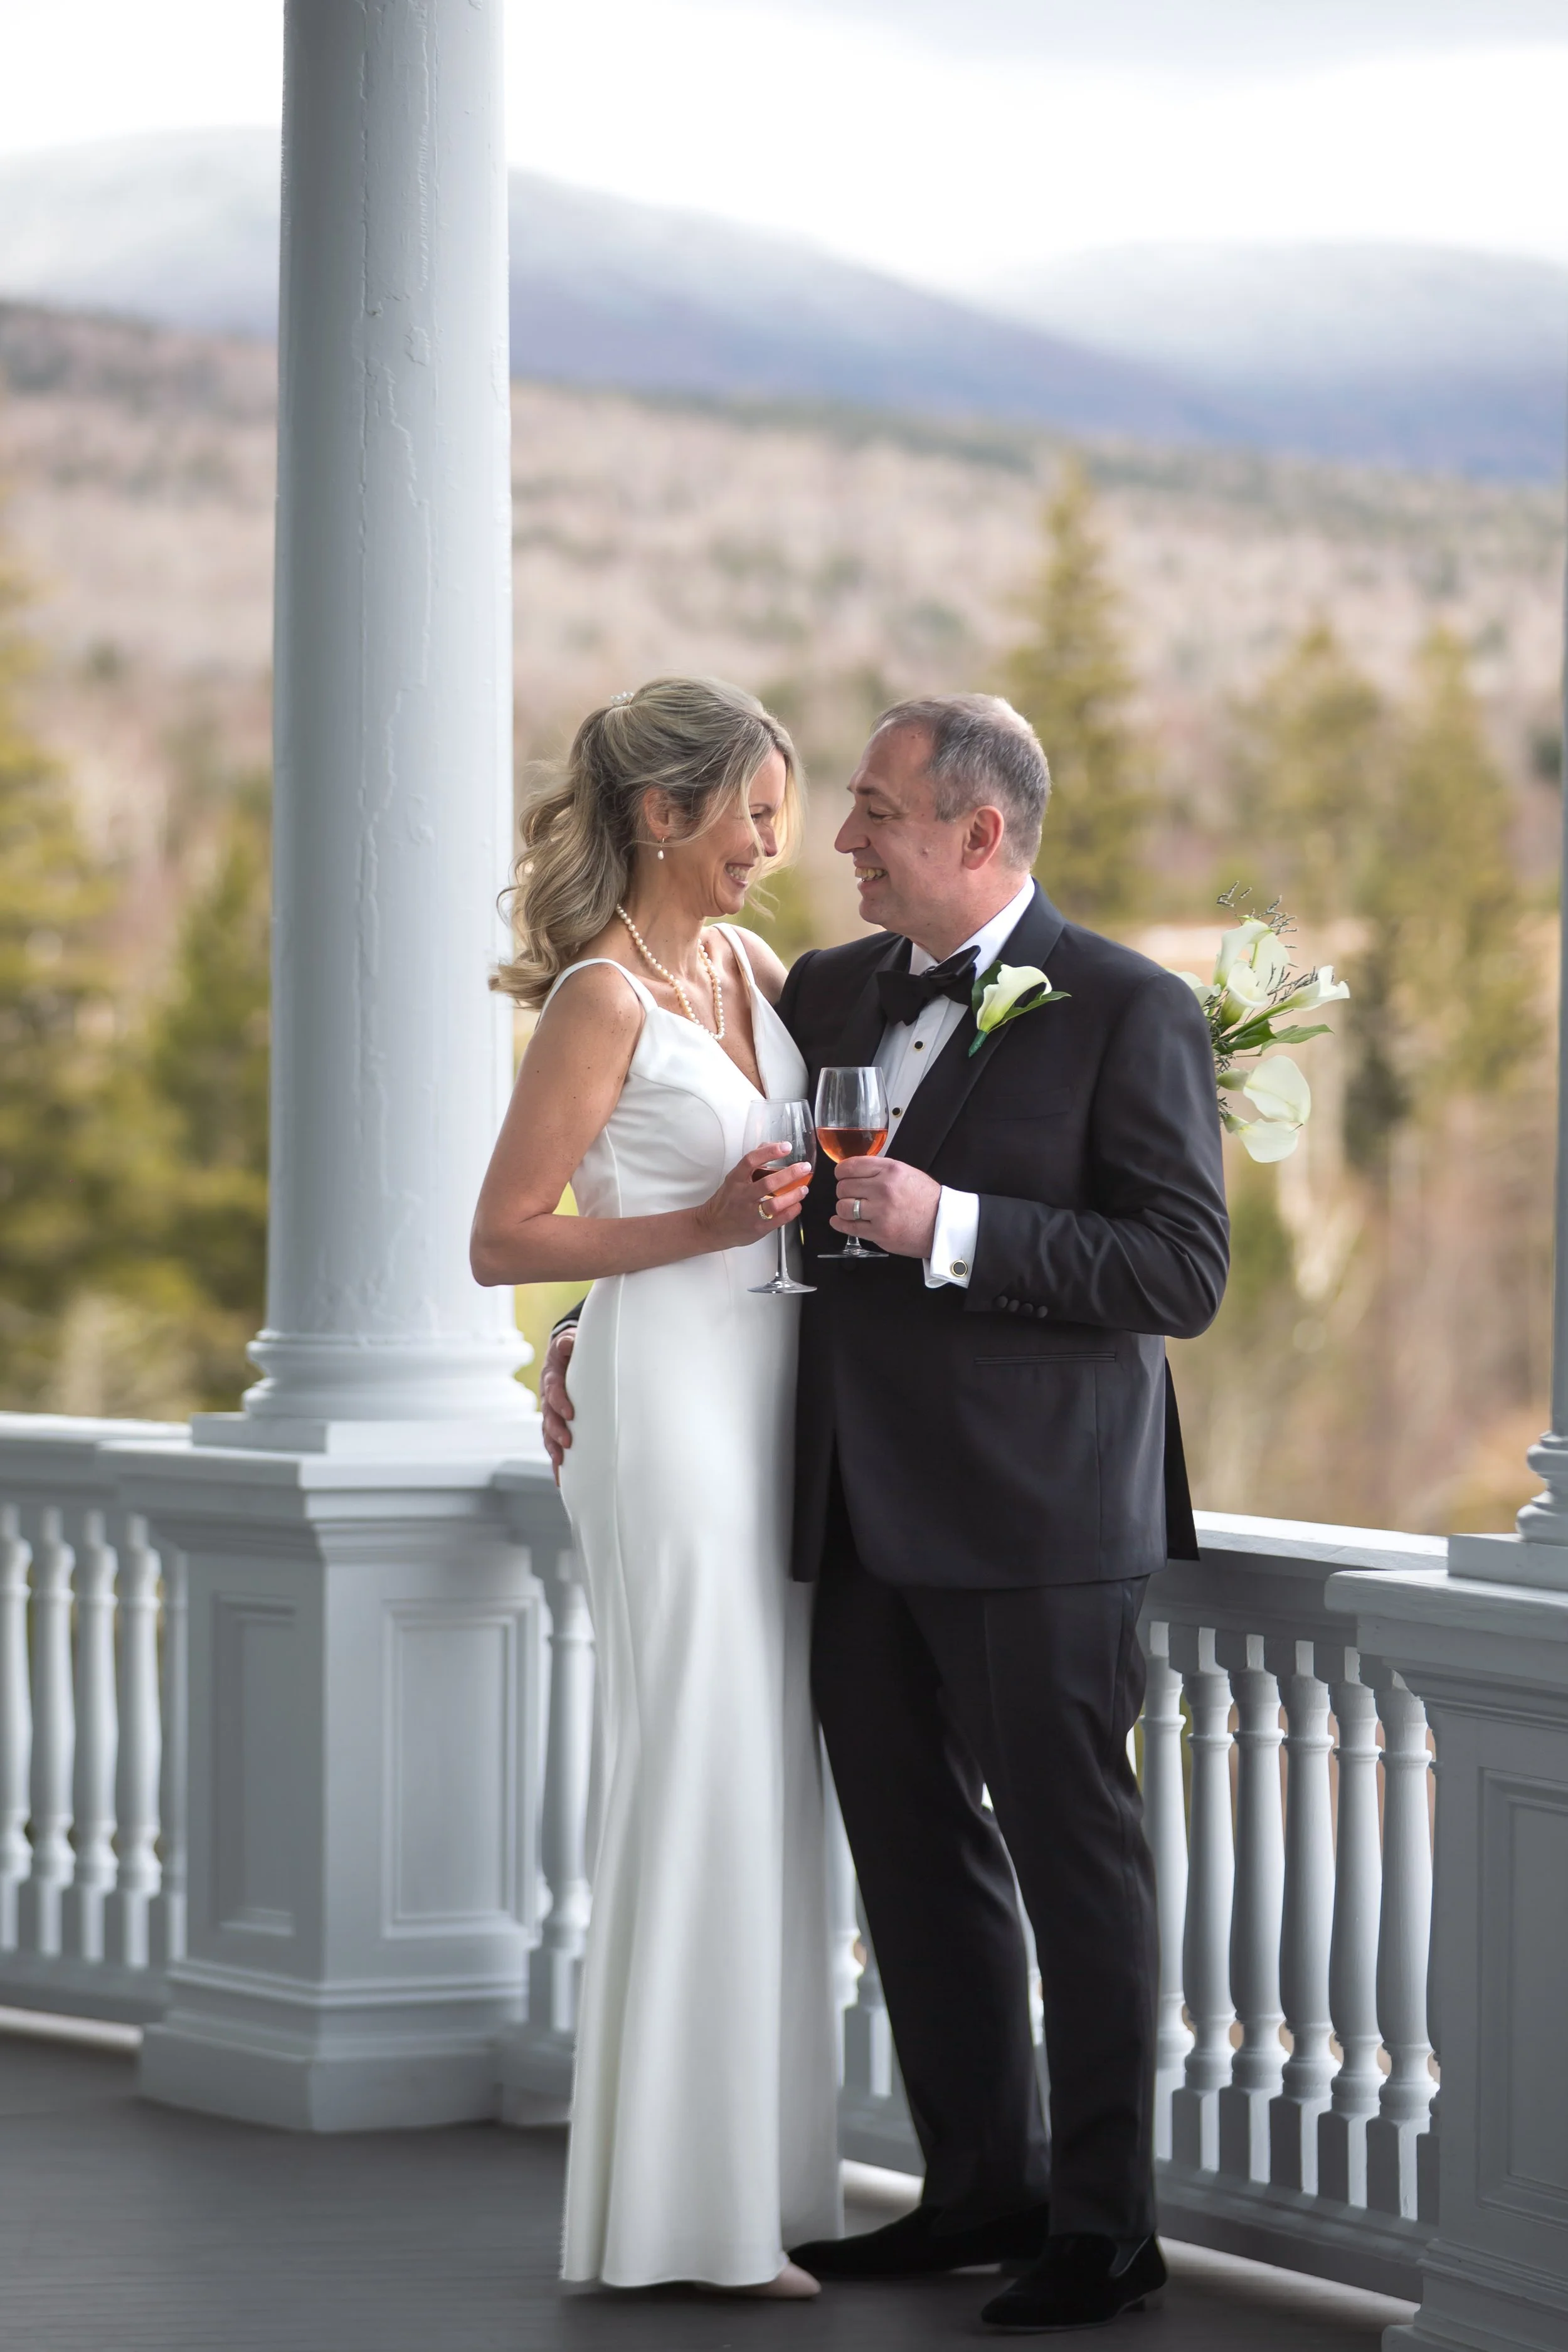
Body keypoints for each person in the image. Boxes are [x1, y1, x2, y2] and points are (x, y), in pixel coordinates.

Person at [543, 692, 1229, 2335]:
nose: (837, 841)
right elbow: (724, 1198)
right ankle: (975, 2187)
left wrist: (954, 1221)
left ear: (978, 833)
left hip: (1041, 1514)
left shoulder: (1127, 1007)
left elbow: (1179, 1270)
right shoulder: (826, 988)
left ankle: (1103, 2224)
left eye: (872, 813)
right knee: (916, 1867)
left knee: (1077, 1870)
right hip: (846, 1505)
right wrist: (587, 1329)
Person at [471, 677, 841, 2299]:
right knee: (693, 1757)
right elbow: (504, 1234)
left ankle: (761, 2182)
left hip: (772, 1393)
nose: (776, 842)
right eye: (754, 811)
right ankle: (674, 2215)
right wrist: (666, 1258)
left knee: (767, 1768)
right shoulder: (595, 1002)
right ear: (661, 814)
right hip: (673, 1403)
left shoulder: (754, 970)